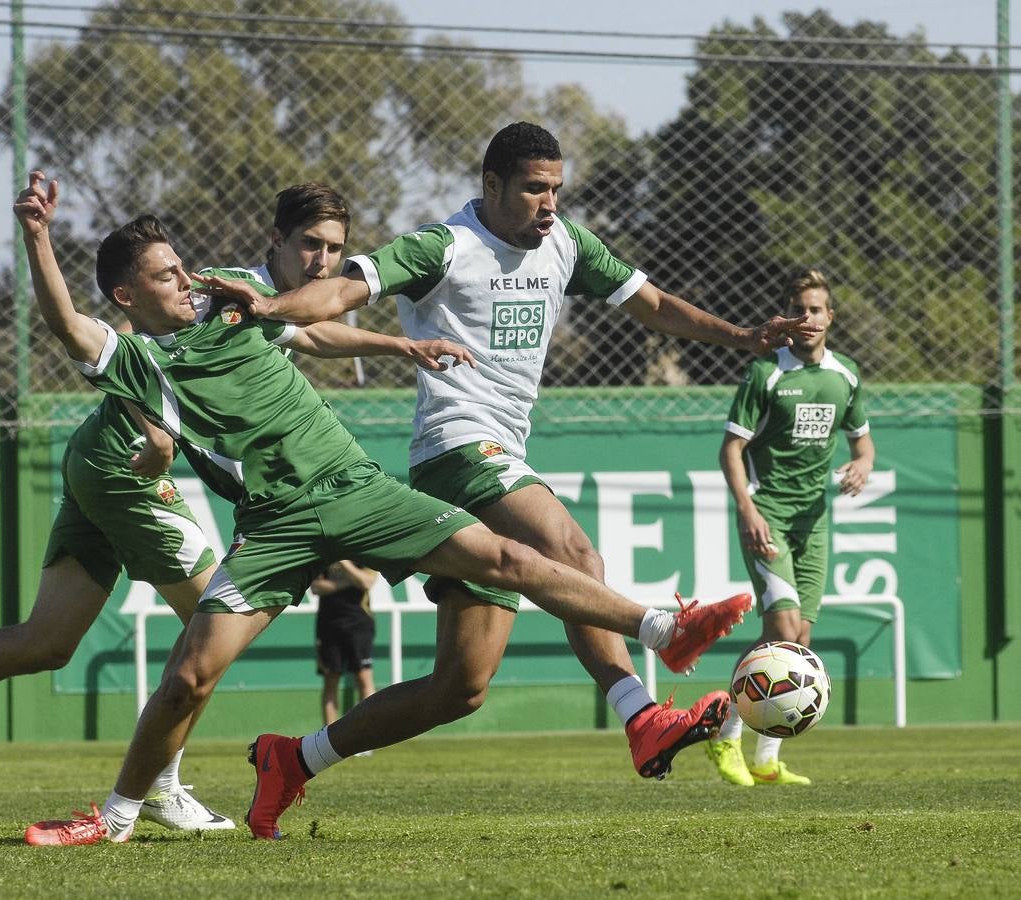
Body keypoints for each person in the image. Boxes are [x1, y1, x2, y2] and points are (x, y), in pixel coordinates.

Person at [0, 171, 750, 846]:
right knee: (188, 676)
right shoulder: (140, 361)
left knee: (511, 558)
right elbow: (65, 326)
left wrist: (398, 347)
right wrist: (38, 236)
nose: (185, 281)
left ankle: (664, 628)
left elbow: (310, 325)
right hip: (274, 525)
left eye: (182, 267)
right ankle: (114, 816)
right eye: (164, 276)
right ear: (125, 296)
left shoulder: (229, 295)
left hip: (357, 489)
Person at [0, 181, 468, 833]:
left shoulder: (265, 308)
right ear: (278, 243)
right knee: (216, 621)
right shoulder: (219, 291)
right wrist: (155, 433)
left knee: (47, 641)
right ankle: (158, 785)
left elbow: (314, 334)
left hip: (94, 461)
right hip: (123, 466)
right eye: (312, 247)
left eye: (335, 251)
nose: (325, 262)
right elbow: (123, 348)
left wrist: (402, 348)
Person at [198, 121, 823, 787]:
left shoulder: (567, 245)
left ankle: (293, 760)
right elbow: (343, 292)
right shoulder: (443, 246)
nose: (548, 203)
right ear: (492, 186)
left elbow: (657, 304)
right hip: (457, 451)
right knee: (575, 555)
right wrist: (274, 306)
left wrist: (744, 335)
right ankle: (643, 713)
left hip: (494, 457)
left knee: (460, 688)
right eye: (532, 189)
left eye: (555, 188)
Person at [706, 268, 874, 787]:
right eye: (799, 309)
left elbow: (862, 443)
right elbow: (730, 449)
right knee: (781, 630)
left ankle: (765, 758)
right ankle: (724, 736)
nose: (807, 318)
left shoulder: (845, 376)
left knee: (799, 638)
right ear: (788, 315)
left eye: (816, 309)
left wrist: (862, 464)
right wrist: (747, 510)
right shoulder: (766, 373)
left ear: (830, 317)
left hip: (813, 521)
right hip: (768, 516)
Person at [312, 561, 378, 728]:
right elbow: (316, 587)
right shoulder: (325, 552)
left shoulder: (362, 553)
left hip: (359, 623)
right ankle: (327, 740)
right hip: (328, 624)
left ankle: (367, 736)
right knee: (331, 679)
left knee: (364, 677)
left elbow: (367, 582)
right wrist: (349, 582)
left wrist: (344, 563)